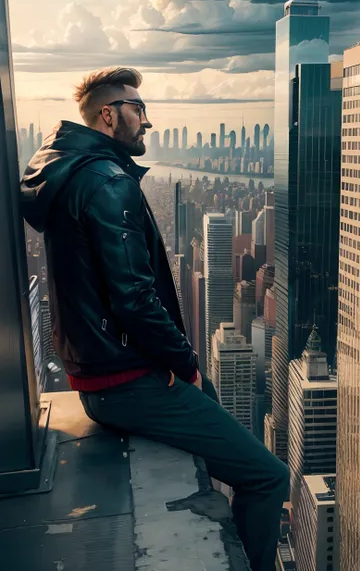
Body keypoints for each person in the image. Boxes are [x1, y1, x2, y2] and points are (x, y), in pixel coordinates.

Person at [20, 66, 289, 571]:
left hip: (97, 376)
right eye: (137, 110)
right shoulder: (107, 182)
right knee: (269, 476)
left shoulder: (70, 172)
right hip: (127, 382)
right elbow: (135, 298)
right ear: (108, 115)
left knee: (208, 397)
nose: (147, 122)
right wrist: (183, 359)